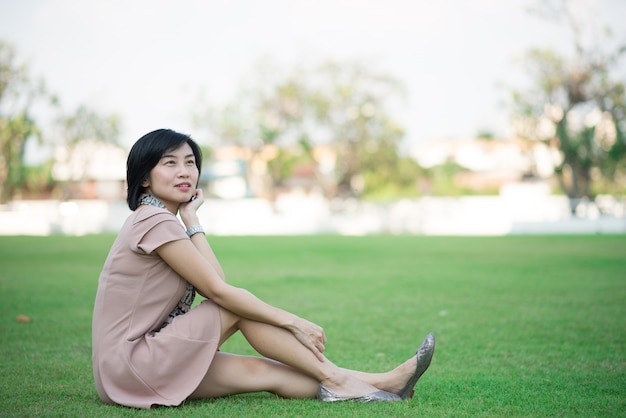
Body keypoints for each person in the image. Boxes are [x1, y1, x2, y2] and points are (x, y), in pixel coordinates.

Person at [91, 128, 435, 409]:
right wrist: (293, 321)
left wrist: (192, 220)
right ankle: (340, 380)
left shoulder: (165, 220)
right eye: (169, 163)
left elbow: (216, 281)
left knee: (264, 371)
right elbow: (219, 293)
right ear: (145, 179)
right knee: (236, 308)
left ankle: (381, 383)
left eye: (190, 162)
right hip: (135, 361)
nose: (184, 171)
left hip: (121, 375)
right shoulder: (152, 219)